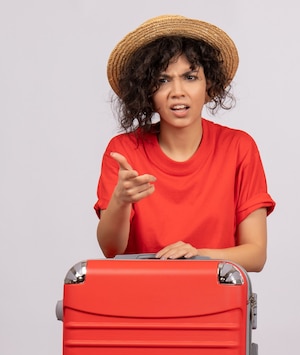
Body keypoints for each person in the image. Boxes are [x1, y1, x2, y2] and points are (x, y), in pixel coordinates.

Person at [94, 15, 275, 272]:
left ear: (209, 84)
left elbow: (256, 255)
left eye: (190, 77)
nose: (177, 91)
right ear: (147, 91)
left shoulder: (239, 147)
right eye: (162, 80)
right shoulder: (124, 151)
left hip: (215, 304)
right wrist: (120, 201)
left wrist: (197, 256)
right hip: (140, 301)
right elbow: (111, 250)